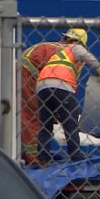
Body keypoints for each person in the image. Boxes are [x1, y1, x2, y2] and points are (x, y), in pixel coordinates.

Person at [35, 28, 100, 166]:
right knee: (70, 121)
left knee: (46, 125)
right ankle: (75, 155)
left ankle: (43, 157)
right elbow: (86, 55)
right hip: (61, 85)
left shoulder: (57, 53)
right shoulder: (75, 48)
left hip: (42, 86)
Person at [19, 36, 70, 167]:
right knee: (34, 117)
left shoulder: (55, 47)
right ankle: (35, 159)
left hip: (27, 72)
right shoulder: (68, 55)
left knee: (28, 114)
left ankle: (27, 154)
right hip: (30, 75)